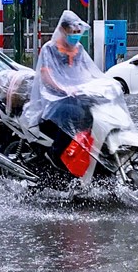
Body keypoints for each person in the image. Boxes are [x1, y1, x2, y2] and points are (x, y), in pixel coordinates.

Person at [24, 10, 106, 165]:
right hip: (53, 100)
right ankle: (56, 153)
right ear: (62, 30)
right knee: (72, 114)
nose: (75, 35)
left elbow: (87, 72)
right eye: (72, 32)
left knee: (92, 114)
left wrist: (100, 86)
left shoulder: (79, 49)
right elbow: (46, 76)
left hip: (74, 97)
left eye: (78, 32)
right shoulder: (50, 48)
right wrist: (63, 89)